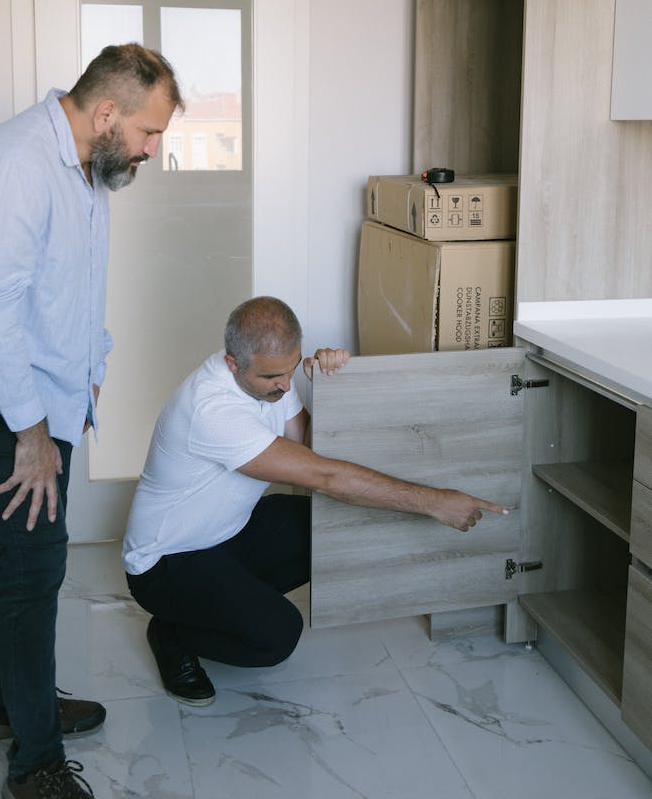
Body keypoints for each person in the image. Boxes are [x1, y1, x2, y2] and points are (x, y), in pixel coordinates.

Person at [0, 44, 183, 799]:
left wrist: (93, 371)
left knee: (27, 561)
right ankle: (34, 766)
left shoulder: (87, 170)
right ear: (107, 113)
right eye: (149, 133)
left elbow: (74, 288)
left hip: (48, 396)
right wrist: (33, 433)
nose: (150, 151)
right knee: (38, 567)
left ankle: (10, 703)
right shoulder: (16, 164)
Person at [123, 296, 508, 707]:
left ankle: (224, 602)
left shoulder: (272, 376)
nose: (286, 387)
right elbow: (323, 475)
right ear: (233, 364)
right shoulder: (212, 409)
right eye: (274, 377)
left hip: (228, 533)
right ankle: (172, 632)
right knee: (277, 635)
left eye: (292, 370)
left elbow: (306, 441)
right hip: (168, 563)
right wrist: (434, 502)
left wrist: (329, 383)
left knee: (325, 530)